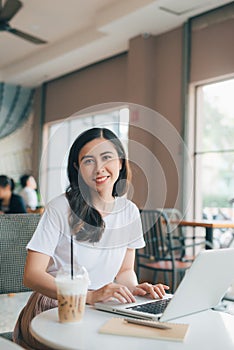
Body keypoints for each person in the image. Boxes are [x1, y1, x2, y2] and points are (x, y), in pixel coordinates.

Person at [13, 128, 169, 349]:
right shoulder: (60, 207)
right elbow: (32, 275)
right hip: (57, 307)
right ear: (77, 168)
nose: (99, 169)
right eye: (88, 161)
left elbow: (124, 271)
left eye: (107, 158)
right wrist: (90, 296)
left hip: (100, 306)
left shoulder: (129, 211)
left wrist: (132, 291)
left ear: (121, 163)